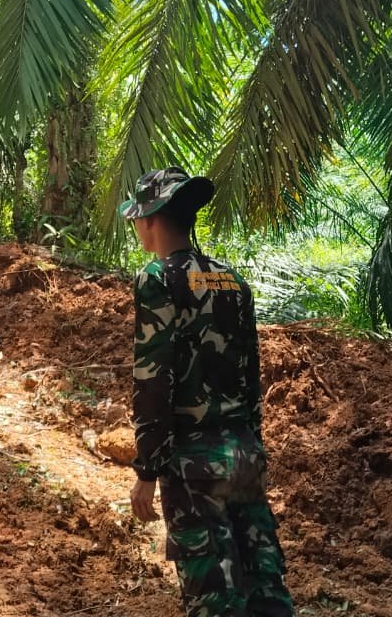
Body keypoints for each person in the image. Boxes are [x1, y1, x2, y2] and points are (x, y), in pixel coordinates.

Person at [120, 167, 294, 617]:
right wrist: (253, 445)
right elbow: (251, 377)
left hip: (193, 468)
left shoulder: (158, 279)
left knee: (216, 599)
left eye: (137, 218)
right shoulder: (232, 281)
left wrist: (147, 469)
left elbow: (153, 379)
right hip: (244, 456)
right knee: (265, 589)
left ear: (150, 219)